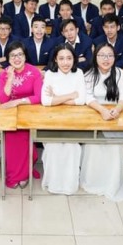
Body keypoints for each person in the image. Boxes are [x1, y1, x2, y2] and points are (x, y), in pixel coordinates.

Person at [81, 43, 123, 201]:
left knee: (113, 145)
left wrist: (117, 109)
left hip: (115, 114)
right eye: (102, 55)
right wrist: (102, 110)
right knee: (94, 146)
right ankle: (92, 179)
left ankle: (111, 181)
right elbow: (87, 96)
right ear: (95, 57)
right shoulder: (89, 73)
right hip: (95, 113)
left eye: (109, 55)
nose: (106, 59)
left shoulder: (119, 73)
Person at [38, 44, 86, 194]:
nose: (65, 62)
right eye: (61, 58)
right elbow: (45, 101)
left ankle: (69, 184)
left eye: (69, 58)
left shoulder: (78, 73)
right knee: (54, 148)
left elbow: (82, 100)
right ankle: (54, 183)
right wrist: (71, 95)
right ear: (55, 59)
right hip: (52, 120)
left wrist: (56, 98)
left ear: (74, 59)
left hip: (74, 121)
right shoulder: (50, 74)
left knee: (72, 148)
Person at [0, 41, 43, 189]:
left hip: (29, 112)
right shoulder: (4, 74)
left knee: (25, 140)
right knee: (11, 142)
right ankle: (14, 174)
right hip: (9, 115)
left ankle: (23, 174)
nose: (17, 58)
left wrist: (17, 102)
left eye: (20, 54)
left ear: (25, 56)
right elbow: (3, 100)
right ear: (8, 58)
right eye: (13, 55)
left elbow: (39, 97)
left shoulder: (34, 71)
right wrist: (10, 78)